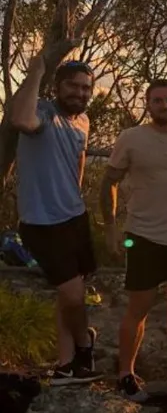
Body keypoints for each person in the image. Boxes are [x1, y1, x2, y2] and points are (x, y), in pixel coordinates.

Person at [100, 79, 167, 400]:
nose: (164, 105)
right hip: (143, 234)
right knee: (139, 305)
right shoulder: (131, 138)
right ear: (147, 104)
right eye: (158, 100)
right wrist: (110, 226)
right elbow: (110, 182)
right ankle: (126, 373)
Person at [10, 51, 101, 385]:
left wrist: (76, 197)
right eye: (73, 87)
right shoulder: (43, 113)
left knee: (71, 294)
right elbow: (20, 120)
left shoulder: (83, 121)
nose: (80, 93)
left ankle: (66, 365)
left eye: (86, 88)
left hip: (74, 216)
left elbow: (78, 160)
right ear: (58, 87)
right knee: (73, 294)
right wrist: (36, 70)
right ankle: (84, 345)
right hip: (41, 221)